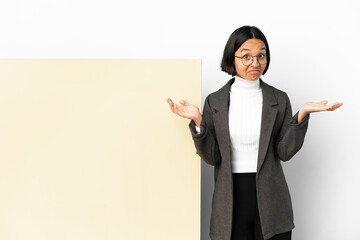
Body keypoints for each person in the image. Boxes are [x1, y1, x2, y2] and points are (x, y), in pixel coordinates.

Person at [166, 26, 342, 240]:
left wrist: (301, 115)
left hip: (272, 203)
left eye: (261, 55)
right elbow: (212, 157)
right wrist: (198, 120)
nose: (255, 63)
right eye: (246, 56)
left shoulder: (278, 99)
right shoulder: (215, 101)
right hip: (229, 204)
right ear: (232, 58)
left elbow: (284, 152)